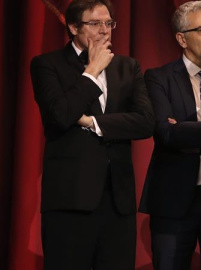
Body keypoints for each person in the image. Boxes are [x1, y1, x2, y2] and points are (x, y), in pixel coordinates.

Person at [29, 0, 154, 269]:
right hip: (70, 199)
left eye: (108, 23)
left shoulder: (127, 66)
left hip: (118, 201)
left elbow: (145, 122)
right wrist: (92, 72)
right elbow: (60, 115)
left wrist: (92, 122)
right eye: (95, 23)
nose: (105, 30)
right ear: (73, 27)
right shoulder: (47, 65)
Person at [138, 1, 201, 270]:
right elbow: (166, 133)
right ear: (181, 38)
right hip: (174, 198)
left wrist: (184, 129)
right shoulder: (158, 78)